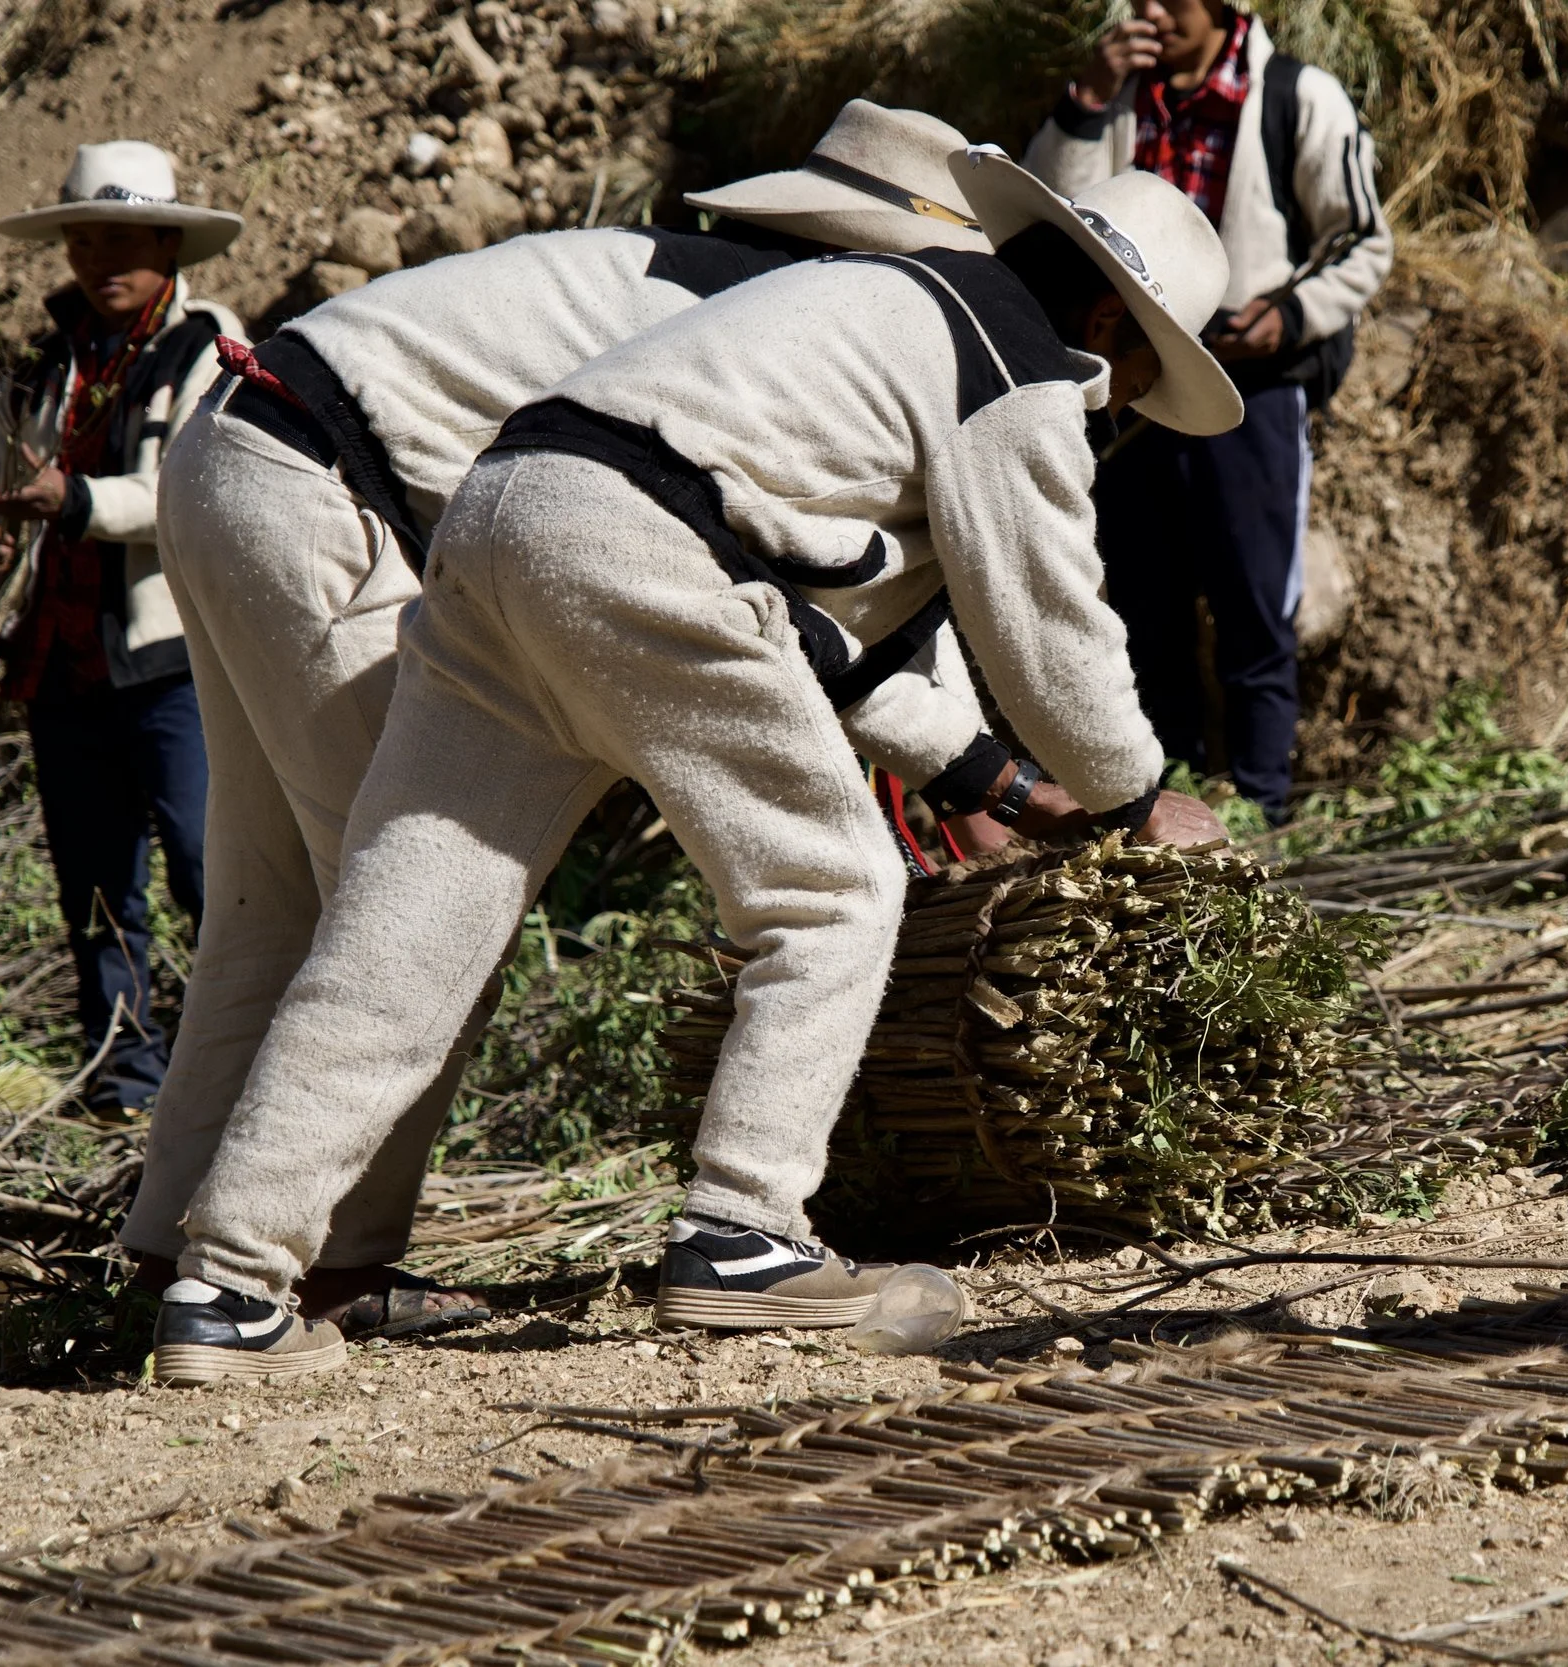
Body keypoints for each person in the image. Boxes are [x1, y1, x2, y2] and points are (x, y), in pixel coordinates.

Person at [144, 150, 1237, 1385]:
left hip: (500, 515)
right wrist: (1136, 794)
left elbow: (823, 627)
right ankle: (744, 1233)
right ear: (1106, 325)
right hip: (628, 543)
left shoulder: (863, 319)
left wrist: (992, 776)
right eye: (1138, 383)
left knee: (404, 925)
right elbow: (1051, 626)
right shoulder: (1018, 367)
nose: (1124, 410)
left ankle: (225, 1286)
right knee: (829, 889)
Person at [0, 142, 244, 1113]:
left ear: (166, 241)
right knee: (99, 893)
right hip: (64, 669)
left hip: (172, 662)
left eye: (123, 237)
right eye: (85, 237)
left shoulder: (211, 350)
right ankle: (128, 1084)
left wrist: (75, 503)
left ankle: (253, 1065)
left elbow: (209, 488)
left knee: (211, 869)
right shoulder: (47, 360)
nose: (103, 255)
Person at [1025, 0, 1391, 820]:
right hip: (1128, 381)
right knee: (1142, 604)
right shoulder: (1116, 100)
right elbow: (1047, 216)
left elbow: (1364, 242)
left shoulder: (1298, 98)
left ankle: (1264, 809)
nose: (1152, 12)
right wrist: (1085, 103)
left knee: (1254, 606)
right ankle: (1170, 801)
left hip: (1248, 385)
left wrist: (1287, 317)